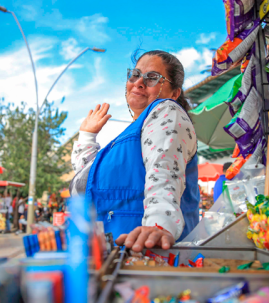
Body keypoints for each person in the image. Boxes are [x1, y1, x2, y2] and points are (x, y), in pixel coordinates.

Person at [69, 50, 200, 252]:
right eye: (135, 74)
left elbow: (163, 172)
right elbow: (87, 183)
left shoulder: (167, 111)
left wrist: (159, 225)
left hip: (150, 257)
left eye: (152, 78)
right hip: (117, 258)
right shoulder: (127, 138)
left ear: (174, 94)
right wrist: (87, 136)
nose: (139, 82)